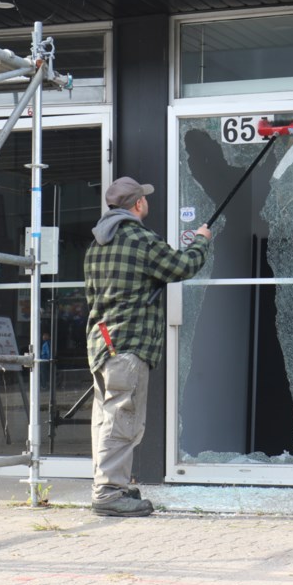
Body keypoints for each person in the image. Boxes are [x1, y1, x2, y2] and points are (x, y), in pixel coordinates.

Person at [84, 176, 212, 517]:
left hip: (102, 342)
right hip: (128, 344)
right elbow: (183, 266)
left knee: (106, 417)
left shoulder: (97, 244)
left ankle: (111, 483)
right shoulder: (138, 238)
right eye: (145, 199)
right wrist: (201, 240)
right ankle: (110, 493)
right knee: (122, 418)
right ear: (137, 205)